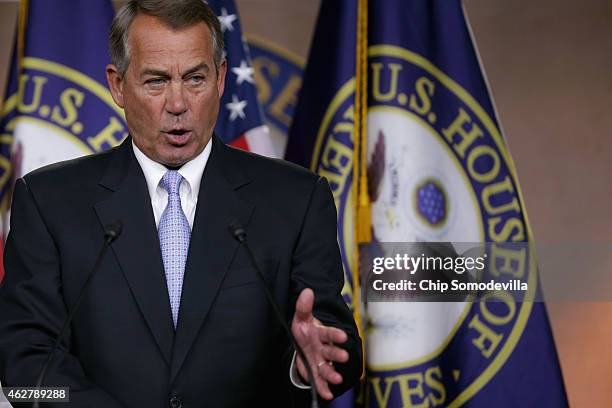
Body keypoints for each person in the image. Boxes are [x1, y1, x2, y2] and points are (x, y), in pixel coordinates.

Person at [0, 1, 362, 407]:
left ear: (221, 79)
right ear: (118, 85)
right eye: (156, 81)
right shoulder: (49, 202)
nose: (177, 104)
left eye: (195, 79)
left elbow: (335, 343)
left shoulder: (297, 199)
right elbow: (24, 367)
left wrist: (304, 363)